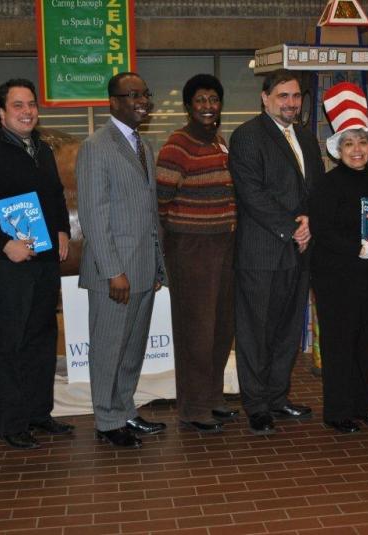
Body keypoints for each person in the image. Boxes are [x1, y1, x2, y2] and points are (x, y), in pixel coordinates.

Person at [0, 78, 74, 449]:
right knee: (9, 344)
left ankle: (38, 413)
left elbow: (55, 195)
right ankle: (13, 423)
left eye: (31, 104)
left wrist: (62, 229)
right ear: (1, 113)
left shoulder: (42, 150)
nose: (27, 111)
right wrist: (3, 244)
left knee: (42, 338)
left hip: (44, 259)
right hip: (7, 264)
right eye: (18, 105)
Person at [228, 68, 325, 435]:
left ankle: (277, 396)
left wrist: (310, 222)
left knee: (287, 329)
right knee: (255, 331)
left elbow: (316, 188)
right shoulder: (247, 136)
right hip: (262, 252)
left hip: (300, 251)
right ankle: (256, 405)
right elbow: (252, 194)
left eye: (296, 96)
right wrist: (292, 228)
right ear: (265, 98)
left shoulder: (305, 136)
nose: (291, 102)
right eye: (283, 96)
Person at [76, 72, 167, 449]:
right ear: (112, 101)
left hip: (144, 268)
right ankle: (107, 420)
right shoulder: (97, 146)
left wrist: (158, 264)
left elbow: (149, 212)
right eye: (132, 95)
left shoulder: (143, 147)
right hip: (114, 273)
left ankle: (126, 410)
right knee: (109, 347)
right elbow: (94, 215)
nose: (141, 100)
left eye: (144, 93)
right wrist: (114, 271)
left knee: (132, 348)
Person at [156, 74, 237, 433]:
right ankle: (193, 407)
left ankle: (214, 397)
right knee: (197, 330)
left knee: (221, 326)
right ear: (189, 106)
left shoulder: (220, 142)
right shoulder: (178, 145)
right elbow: (160, 201)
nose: (208, 106)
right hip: (191, 248)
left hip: (224, 244)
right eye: (200, 100)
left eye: (213, 100)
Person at [309, 82, 368, 434]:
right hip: (336, 279)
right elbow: (322, 230)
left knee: (367, 342)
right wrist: (356, 247)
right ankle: (338, 410)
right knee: (339, 344)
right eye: (348, 143)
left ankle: (363, 403)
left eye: (361, 142)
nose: (356, 150)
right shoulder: (327, 185)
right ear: (338, 149)